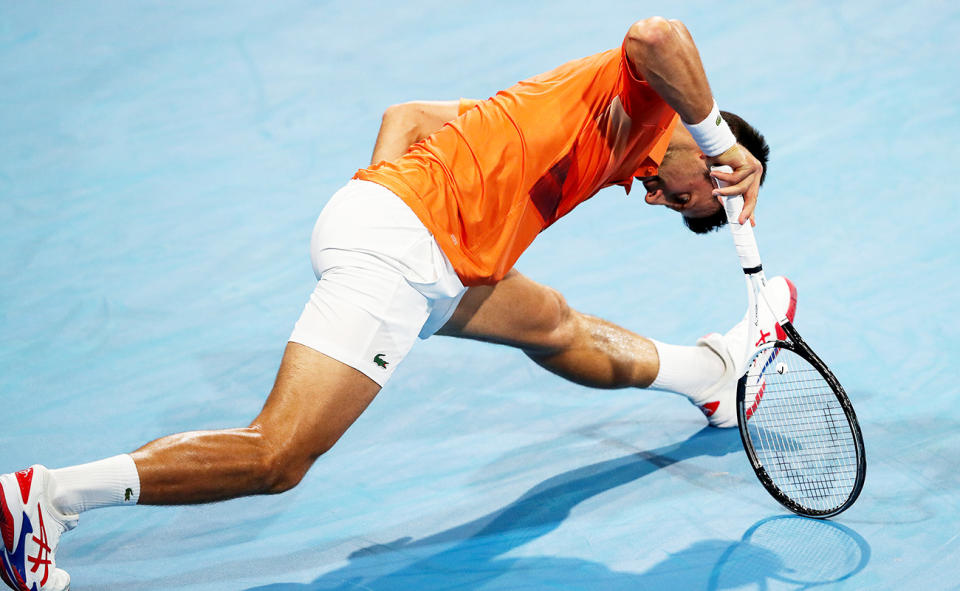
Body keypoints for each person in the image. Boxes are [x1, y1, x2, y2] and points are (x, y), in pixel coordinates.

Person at [0, 17, 795, 591]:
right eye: (698, 200)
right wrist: (392, 253)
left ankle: (712, 373)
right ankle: (50, 495)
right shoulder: (654, 98)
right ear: (716, 160)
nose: (670, 204)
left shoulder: (610, 138)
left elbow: (404, 118)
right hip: (404, 247)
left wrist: (396, 217)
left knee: (550, 323)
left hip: (418, 247)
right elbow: (659, 35)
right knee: (279, 455)